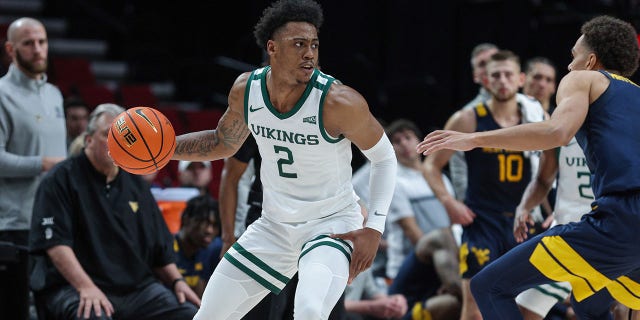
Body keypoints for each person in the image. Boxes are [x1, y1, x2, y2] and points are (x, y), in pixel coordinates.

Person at [171, 0, 397, 318]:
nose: (310, 53)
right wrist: (165, 150)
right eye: (299, 44)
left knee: (308, 310)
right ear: (273, 48)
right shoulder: (246, 90)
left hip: (330, 225)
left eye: (314, 45)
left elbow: (385, 158)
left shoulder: (338, 101)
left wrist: (374, 228)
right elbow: (222, 143)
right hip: (273, 227)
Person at [417, 15, 640, 319]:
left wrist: (474, 139)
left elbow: (556, 133)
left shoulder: (582, 79)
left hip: (617, 222)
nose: (569, 66)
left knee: (488, 287)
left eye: (573, 57)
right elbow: (546, 175)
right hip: (618, 230)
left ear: (590, 60)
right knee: (589, 302)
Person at [29, 103, 199, 320]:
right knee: (93, 315)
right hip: (73, 286)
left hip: (137, 291)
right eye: (108, 134)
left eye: (122, 135)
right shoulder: (60, 179)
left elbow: (159, 248)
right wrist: (85, 287)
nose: (116, 142)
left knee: (191, 315)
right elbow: (56, 245)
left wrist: (177, 282)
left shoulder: (137, 185)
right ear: (88, 140)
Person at [421, 50, 545, 320]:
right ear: (485, 81)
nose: (502, 80)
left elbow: (546, 172)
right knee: (475, 306)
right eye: (495, 75)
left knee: (528, 306)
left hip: (523, 222)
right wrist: (448, 201)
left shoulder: (535, 118)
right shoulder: (468, 118)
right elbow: (430, 164)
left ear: (520, 79)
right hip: (482, 222)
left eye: (508, 74)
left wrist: (552, 211)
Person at [0, 17, 66, 320]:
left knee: (49, 308)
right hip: (14, 222)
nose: (38, 49)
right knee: (17, 310)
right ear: (11, 49)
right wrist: (44, 164)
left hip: (54, 219)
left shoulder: (54, 94)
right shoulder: (1, 93)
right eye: (28, 43)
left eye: (42, 41)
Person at [383, 119, 453, 280]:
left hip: (443, 261)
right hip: (409, 266)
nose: (404, 144)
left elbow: (452, 223)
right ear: (391, 149)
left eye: (408, 137)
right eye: (397, 141)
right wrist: (441, 265)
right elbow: (411, 230)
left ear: (419, 141)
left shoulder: (440, 178)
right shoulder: (393, 182)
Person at [448, 43, 499, 203]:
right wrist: (464, 201)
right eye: (482, 64)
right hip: (484, 203)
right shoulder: (466, 116)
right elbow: (457, 163)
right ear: (475, 75)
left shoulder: (527, 107)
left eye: (494, 59)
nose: (490, 66)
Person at [388, 227, 462, 320]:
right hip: (403, 312)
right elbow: (455, 286)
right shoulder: (440, 239)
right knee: (457, 302)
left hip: (425, 301)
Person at [174, 194, 222, 298]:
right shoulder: (166, 247)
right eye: (204, 223)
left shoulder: (212, 252)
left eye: (214, 226)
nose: (209, 230)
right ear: (187, 219)